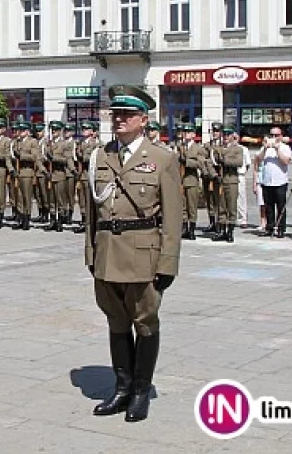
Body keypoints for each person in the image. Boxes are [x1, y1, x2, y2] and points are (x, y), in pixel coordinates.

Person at [85, 85, 181, 423]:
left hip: (144, 252)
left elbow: (172, 215)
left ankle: (141, 391)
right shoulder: (101, 155)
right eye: (116, 113)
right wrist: (90, 252)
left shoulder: (162, 158)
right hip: (108, 251)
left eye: (127, 114)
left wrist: (168, 261)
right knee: (116, 322)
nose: (120, 119)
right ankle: (122, 387)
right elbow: (91, 212)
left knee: (145, 322)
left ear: (143, 119)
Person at [258, 127, 292, 238]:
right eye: (271, 135)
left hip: (280, 181)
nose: (274, 138)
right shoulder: (266, 148)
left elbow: (286, 161)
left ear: (281, 136)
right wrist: (265, 148)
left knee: (281, 206)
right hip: (267, 181)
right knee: (269, 206)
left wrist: (277, 149)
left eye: (276, 135)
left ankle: (281, 228)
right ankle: (270, 227)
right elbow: (259, 159)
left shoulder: (285, 147)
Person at [213, 127, 245, 242]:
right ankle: (222, 230)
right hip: (221, 180)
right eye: (225, 134)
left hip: (231, 180)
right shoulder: (218, 148)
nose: (226, 137)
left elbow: (239, 162)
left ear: (232, 136)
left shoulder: (238, 149)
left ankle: (230, 231)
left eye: (228, 134)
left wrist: (225, 160)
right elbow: (212, 162)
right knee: (221, 206)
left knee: (231, 207)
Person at [178, 125, 205, 240]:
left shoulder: (198, 148)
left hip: (192, 179)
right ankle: (184, 228)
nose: (186, 134)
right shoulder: (180, 146)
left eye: (189, 132)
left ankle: (192, 229)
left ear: (194, 134)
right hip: (181, 180)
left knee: (192, 206)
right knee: (183, 206)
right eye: (185, 131)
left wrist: (187, 161)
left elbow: (200, 163)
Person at [202, 122, 224, 233]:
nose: (215, 133)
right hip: (208, 176)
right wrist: (206, 174)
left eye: (217, 131)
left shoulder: (223, 146)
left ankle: (220, 222)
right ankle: (212, 222)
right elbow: (203, 160)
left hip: (219, 176)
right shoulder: (207, 145)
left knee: (219, 201)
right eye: (213, 131)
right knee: (209, 200)